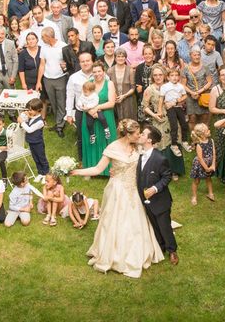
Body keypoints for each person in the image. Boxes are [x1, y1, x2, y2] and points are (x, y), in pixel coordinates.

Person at [71, 119, 165, 277]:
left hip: (134, 189)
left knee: (136, 221)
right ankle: (114, 253)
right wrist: (75, 172)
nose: (140, 136)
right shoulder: (112, 148)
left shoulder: (138, 146)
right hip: (117, 190)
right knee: (115, 220)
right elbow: (97, 169)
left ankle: (137, 250)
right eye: (137, 134)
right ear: (128, 135)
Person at [138, 124, 178, 264]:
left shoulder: (160, 158)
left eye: (143, 134)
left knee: (164, 226)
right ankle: (160, 246)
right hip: (145, 200)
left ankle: (172, 250)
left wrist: (154, 189)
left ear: (149, 140)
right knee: (154, 225)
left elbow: (167, 177)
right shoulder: (139, 155)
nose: (140, 135)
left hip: (160, 201)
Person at [80, 61, 117, 174]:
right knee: (92, 141)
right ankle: (91, 168)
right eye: (94, 72)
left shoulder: (109, 83)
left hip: (105, 116)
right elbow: (82, 102)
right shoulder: (88, 83)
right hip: (89, 116)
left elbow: (111, 103)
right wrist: (89, 111)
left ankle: (107, 170)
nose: (97, 74)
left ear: (103, 71)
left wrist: (96, 108)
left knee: (107, 142)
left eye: (99, 71)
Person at [65, 52, 96, 160]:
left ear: (92, 61)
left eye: (88, 60)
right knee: (81, 136)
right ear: (79, 63)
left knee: (96, 135)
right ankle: (82, 159)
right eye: (83, 61)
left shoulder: (99, 75)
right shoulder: (74, 77)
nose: (85, 63)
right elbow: (70, 96)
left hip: (97, 111)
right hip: (81, 112)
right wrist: (69, 114)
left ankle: (97, 158)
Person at [159, 68, 189, 157]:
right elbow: (161, 99)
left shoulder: (180, 86)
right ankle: (174, 144)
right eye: (172, 75)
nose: (174, 77)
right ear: (168, 77)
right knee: (174, 126)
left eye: (176, 75)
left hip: (179, 107)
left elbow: (185, 96)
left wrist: (178, 100)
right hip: (170, 109)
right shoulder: (165, 87)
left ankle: (184, 141)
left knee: (184, 124)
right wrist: (160, 110)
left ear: (179, 77)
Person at [183, 45, 213, 129]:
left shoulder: (205, 67)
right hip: (190, 97)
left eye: (198, 55)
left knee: (204, 118)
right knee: (192, 119)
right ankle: (194, 140)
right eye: (195, 55)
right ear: (190, 55)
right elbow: (183, 84)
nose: (197, 57)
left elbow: (209, 81)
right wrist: (192, 92)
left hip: (203, 96)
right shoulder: (186, 68)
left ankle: (204, 139)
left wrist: (199, 91)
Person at [18, 98, 50, 177]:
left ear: (38, 110)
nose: (29, 111)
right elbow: (24, 118)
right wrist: (24, 115)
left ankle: (46, 174)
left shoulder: (40, 122)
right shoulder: (31, 116)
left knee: (42, 159)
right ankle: (40, 173)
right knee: (35, 158)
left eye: (31, 110)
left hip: (38, 143)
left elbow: (29, 130)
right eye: (28, 109)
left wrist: (22, 122)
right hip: (31, 142)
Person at [190, 123, 216, 205]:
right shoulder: (199, 145)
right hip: (200, 165)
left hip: (209, 163)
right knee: (196, 181)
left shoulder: (211, 141)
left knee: (209, 178)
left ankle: (211, 194)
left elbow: (214, 153)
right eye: (207, 130)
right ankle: (194, 196)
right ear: (202, 135)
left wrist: (213, 165)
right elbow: (200, 159)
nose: (209, 130)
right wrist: (206, 168)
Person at [108, 48, 137, 121]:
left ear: (125, 58)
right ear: (115, 58)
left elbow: (133, 88)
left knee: (129, 123)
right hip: (114, 100)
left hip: (128, 100)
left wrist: (123, 96)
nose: (120, 58)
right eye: (118, 56)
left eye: (122, 56)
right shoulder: (110, 71)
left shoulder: (130, 70)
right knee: (116, 122)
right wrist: (115, 96)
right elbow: (108, 86)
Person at [134, 44, 156, 121]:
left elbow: (159, 86)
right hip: (143, 100)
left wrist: (143, 88)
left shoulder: (158, 67)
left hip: (156, 100)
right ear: (143, 55)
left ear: (153, 55)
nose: (148, 56)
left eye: (150, 53)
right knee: (144, 125)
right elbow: (138, 89)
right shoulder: (139, 68)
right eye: (145, 54)